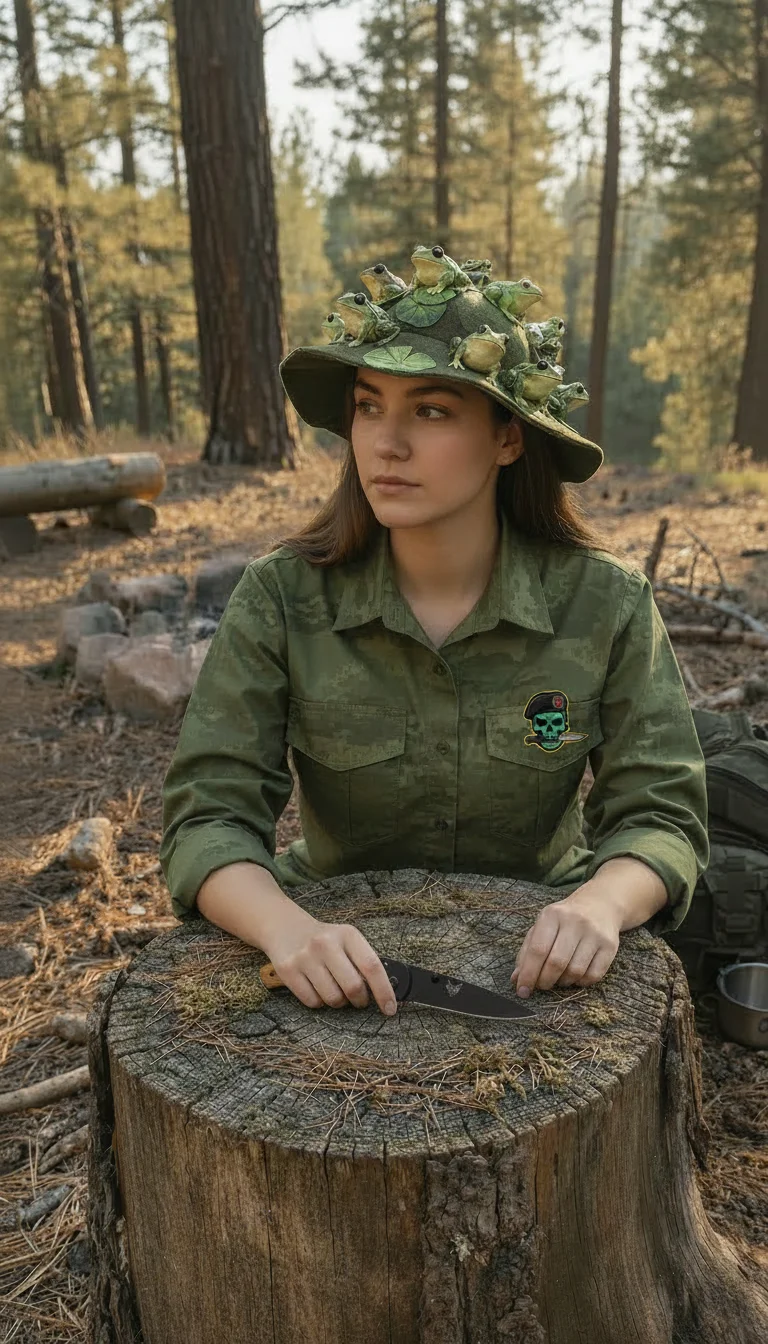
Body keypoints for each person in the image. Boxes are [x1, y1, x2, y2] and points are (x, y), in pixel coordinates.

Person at [159, 243, 709, 1019]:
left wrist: (602, 904)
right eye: (368, 406)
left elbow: (662, 811)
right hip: (335, 951)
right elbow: (208, 815)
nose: (387, 443)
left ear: (509, 437)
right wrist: (287, 929)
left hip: (536, 956)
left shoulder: (604, 603)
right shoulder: (283, 598)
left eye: (431, 410)